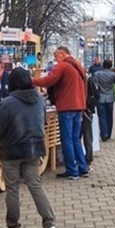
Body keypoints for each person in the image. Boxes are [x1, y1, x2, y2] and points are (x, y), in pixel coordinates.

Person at [0, 68, 58, 228]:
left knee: (12, 188)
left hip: (11, 150)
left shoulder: (8, 103)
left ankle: (13, 227)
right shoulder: (40, 101)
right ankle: (49, 224)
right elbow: (42, 122)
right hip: (34, 148)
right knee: (35, 185)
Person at [33, 46, 90, 180]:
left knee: (67, 139)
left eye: (56, 56)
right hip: (79, 106)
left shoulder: (63, 66)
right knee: (76, 138)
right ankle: (83, 168)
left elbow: (49, 80)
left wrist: (31, 80)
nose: (55, 60)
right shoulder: (78, 65)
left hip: (66, 106)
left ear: (62, 54)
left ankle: (72, 170)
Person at [92, 59, 115, 141]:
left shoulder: (97, 74)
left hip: (100, 97)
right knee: (109, 116)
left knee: (102, 116)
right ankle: (109, 133)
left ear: (103, 65)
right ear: (110, 66)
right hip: (110, 97)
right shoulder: (112, 74)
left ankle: (104, 133)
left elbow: (94, 83)